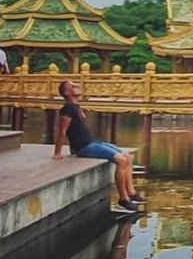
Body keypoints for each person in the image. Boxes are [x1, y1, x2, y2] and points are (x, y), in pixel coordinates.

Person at [53, 79, 145, 212]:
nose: (77, 86)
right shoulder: (67, 109)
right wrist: (57, 152)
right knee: (121, 160)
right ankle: (123, 198)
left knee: (127, 156)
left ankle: (131, 192)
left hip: (92, 142)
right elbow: (62, 131)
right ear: (67, 92)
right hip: (83, 146)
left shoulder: (75, 106)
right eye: (72, 86)